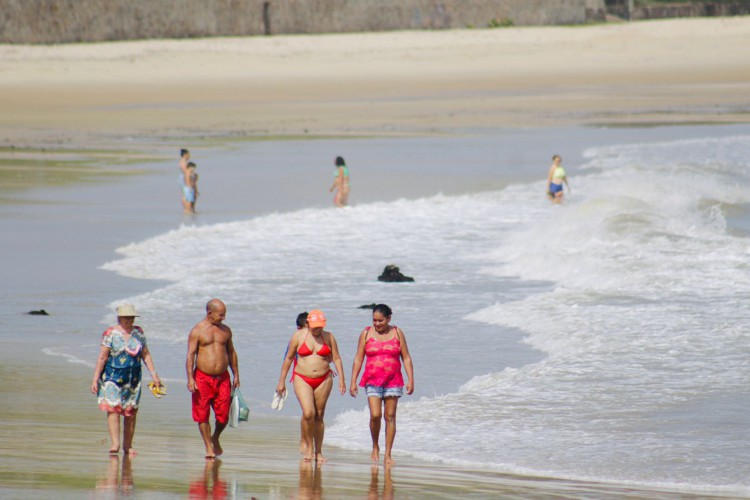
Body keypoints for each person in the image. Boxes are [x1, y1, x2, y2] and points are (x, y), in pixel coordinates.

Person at [276, 309, 346, 463]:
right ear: (308, 324)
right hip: (302, 378)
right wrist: (281, 381)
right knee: (308, 413)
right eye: (314, 327)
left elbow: (337, 358)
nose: (317, 329)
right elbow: (288, 359)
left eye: (320, 326)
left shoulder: (329, 337)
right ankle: (308, 445)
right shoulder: (298, 336)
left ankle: (318, 452)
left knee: (319, 415)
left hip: (324, 378)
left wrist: (342, 379)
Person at [91, 303, 161, 456]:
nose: (129, 320)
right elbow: (102, 357)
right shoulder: (110, 333)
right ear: (119, 318)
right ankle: (115, 444)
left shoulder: (139, 333)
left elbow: (146, 354)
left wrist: (154, 375)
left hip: (133, 379)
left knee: (130, 412)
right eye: (126, 317)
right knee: (113, 410)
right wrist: (95, 379)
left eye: (131, 317)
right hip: (111, 378)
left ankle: (127, 446)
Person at [349, 304, 414, 465]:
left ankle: (388, 454)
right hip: (372, 380)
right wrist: (353, 381)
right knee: (375, 415)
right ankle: (375, 445)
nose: (377, 324)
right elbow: (358, 358)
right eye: (374, 320)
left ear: (389, 318)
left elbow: (406, 357)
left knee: (390, 417)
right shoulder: (366, 333)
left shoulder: (398, 333)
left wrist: (410, 379)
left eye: (380, 321)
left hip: (393, 380)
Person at [186, 299, 240, 459]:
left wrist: (236, 374)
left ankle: (215, 437)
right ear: (210, 313)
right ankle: (208, 446)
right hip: (202, 377)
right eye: (221, 315)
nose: (223, 318)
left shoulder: (226, 330)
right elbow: (190, 355)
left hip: (223, 378)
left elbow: (231, 352)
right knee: (202, 414)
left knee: (223, 415)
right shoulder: (197, 331)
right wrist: (190, 378)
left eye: (225, 315)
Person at [179, 149, 193, 213]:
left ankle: (187, 208)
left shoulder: (183, 161)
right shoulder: (183, 161)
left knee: (185, 193)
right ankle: (186, 209)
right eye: (188, 154)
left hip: (184, 176)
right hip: (184, 177)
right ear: (185, 154)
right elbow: (185, 171)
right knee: (186, 193)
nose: (189, 156)